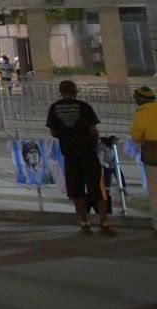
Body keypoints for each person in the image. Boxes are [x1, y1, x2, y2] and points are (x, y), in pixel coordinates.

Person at [46, 80, 114, 236]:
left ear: (60, 91)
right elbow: (93, 130)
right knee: (98, 188)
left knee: (76, 190)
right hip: (88, 153)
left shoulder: (54, 108)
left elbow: (53, 132)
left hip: (70, 155)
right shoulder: (84, 107)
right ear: (76, 91)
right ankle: (103, 223)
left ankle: (85, 223)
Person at [129, 85, 157, 234]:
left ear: (139, 100)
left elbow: (136, 137)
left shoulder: (142, 113)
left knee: (155, 193)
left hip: (153, 157)